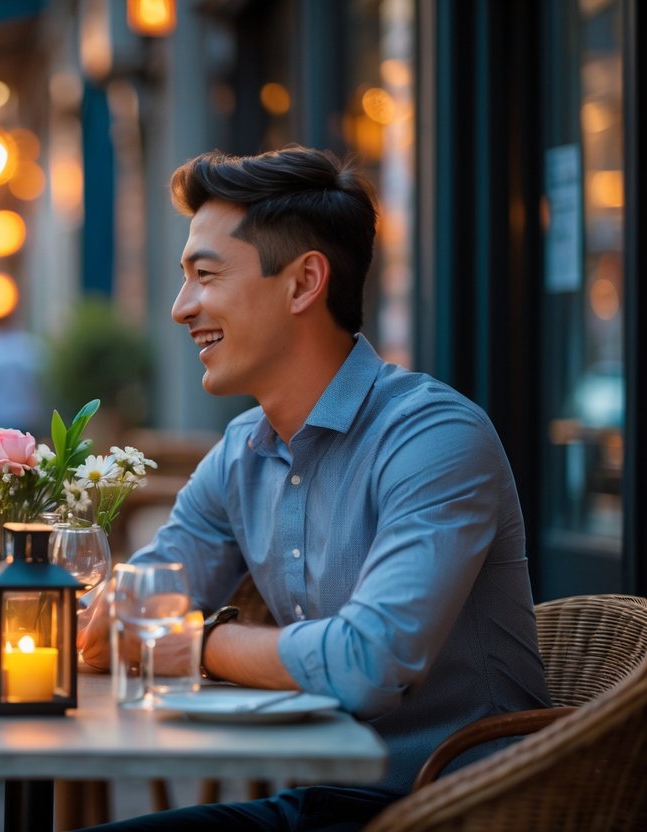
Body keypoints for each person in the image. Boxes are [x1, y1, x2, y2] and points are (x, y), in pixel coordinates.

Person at [79, 147, 549, 830]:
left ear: (303, 283)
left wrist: (195, 643)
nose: (182, 308)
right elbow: (143, 598)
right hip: (324, 801)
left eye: (204, 276)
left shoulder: (434, 438)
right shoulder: (241, 450)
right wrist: (93, 618)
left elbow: (368, 663)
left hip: (463, 807)